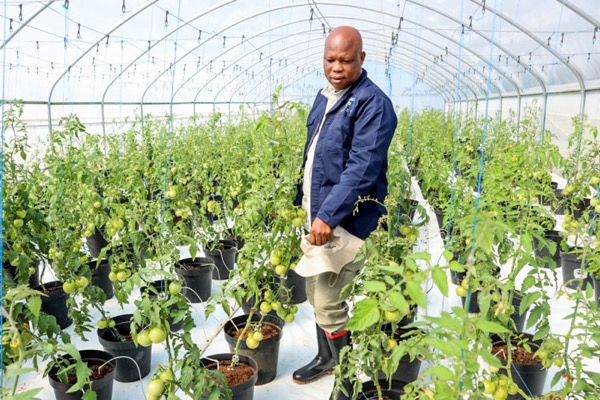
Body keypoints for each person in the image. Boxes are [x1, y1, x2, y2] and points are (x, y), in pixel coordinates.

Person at [292, 26, 398, 399]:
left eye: (346, 60)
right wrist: (300, 204)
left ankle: (349, 381)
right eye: (330, 59)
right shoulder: (325, 97)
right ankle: (326, 358)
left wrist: (327, 216)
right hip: (317, 215)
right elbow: (315, 155)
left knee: (327, 300)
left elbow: (362, 168)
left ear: (362, 59)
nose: (337, 67)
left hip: (347, 219)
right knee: (311, 289)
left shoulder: (373, 103)